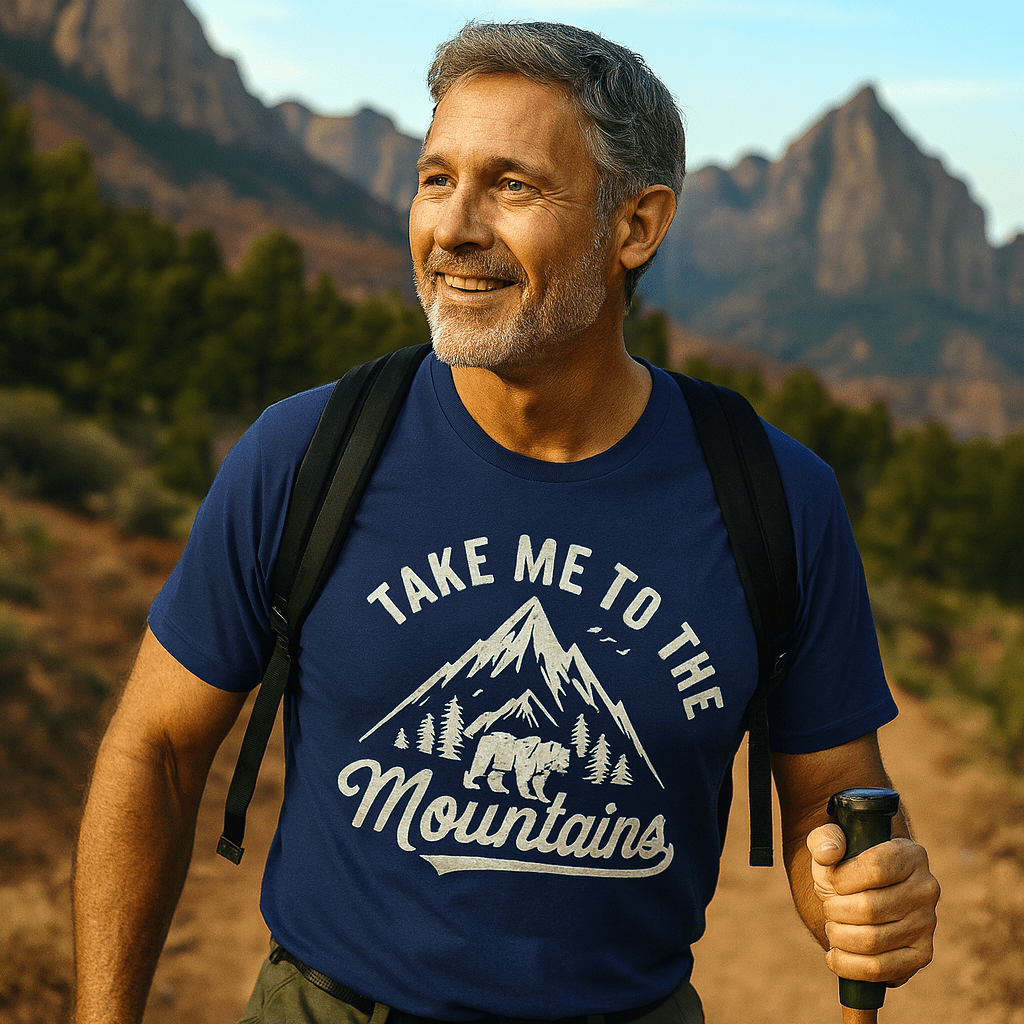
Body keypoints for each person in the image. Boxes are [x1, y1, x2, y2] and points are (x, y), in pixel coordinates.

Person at [73, 20, 939, 1024]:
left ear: (637, 226)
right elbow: (158, 752)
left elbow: (831, 792)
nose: (453, 227)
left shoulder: (778, 495)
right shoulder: (304, 452)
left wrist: (862, 894)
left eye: (513, 186)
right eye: (435, 178)